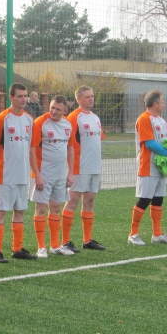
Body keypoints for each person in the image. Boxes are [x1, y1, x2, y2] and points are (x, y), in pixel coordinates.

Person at [0, 83, 36, 262]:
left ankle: (17, 248)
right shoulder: (3, 118)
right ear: (11, 98)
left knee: (20, 210)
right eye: (20, 96)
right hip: (6, 174)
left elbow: (31, 148)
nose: (23, 99)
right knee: (2, 211)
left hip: (23, 174)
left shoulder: (29, 119)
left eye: (25, 96)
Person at [128, 90, 167, 245]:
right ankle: (133, 234)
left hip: (161, 167)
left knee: (158, 199)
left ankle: (157, 234)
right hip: (148, 166)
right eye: (162, 102)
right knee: (144, 199)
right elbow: (149, 143)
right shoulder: (144, 119)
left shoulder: (162, 121)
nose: (164, 105)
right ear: (155, 104)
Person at [61, 85, 106, 252]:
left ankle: (87, 240)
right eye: (87, 96)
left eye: (92, 96)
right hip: (79, 167)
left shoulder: (95, 117)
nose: (91, 99)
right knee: (72, 201)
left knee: (89, 201)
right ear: (79, 99)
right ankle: (65, 241)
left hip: (95, 166)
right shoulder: (74, 117)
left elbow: (98, 140)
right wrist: (70, 169)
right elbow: (68, 144)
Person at [29, 95, 75, 256]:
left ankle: (55, 246)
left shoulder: (68, 124)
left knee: (56, 207)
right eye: (52, 108)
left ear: (65, 110)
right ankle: (41, 247)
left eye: (58, 109)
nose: (54, 111)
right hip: (44, 173)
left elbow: (70, 148)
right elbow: (32, 150)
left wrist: (70, 173)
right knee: (41, 208)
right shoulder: (40, 123)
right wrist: (37, 175)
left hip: (61, 174)